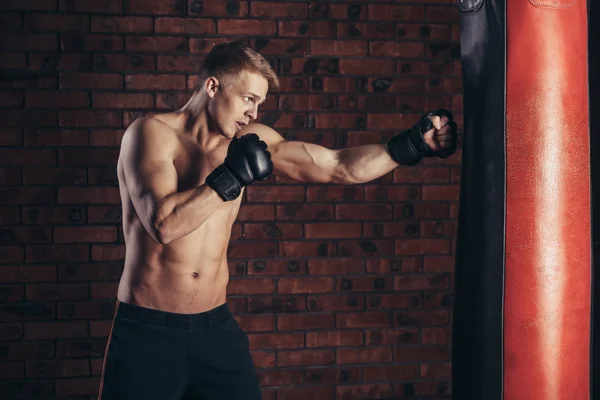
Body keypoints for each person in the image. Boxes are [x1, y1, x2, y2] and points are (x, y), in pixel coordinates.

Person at [98, 41, 457, 400]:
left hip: (215, 327)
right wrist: (231, 176)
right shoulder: (150, 134)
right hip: (149, 331)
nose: (254, 114)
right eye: (248, 99)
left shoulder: (248, 141)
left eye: (260, 104)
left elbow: (337, 167)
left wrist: (415, 144)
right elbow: (163, 224)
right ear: (212, 87)